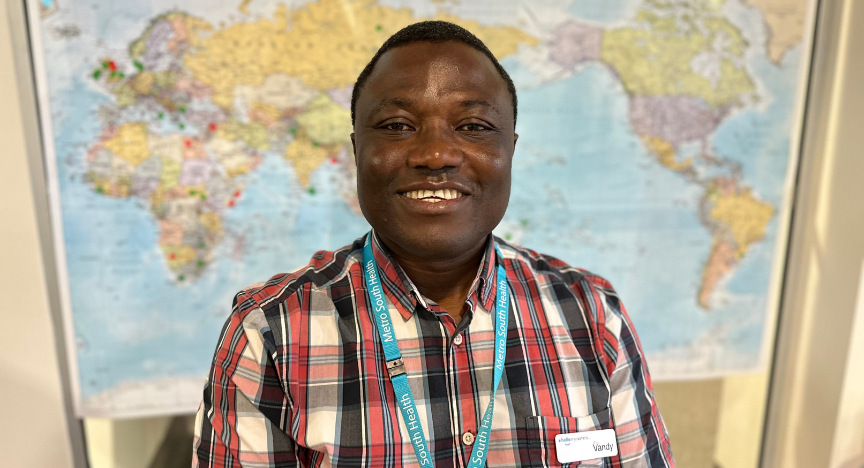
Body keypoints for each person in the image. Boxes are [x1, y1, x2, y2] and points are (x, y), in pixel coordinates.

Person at [193, 21, 674, 468]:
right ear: (358, 149)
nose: (436, 154)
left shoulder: (591, 313)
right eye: (398, 126)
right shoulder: (270, 332)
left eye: (473, 127)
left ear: (509, 150)